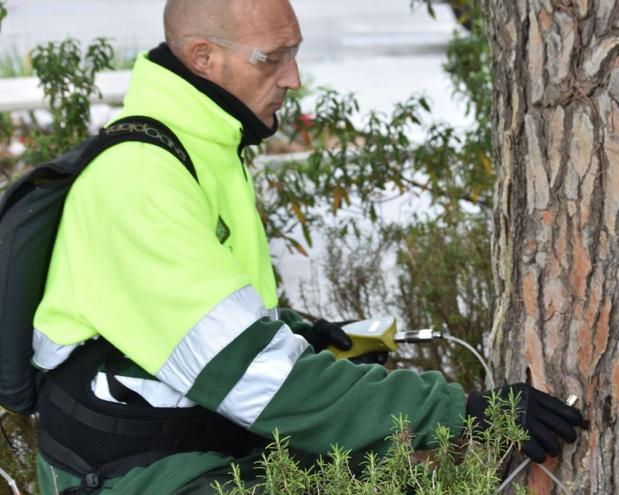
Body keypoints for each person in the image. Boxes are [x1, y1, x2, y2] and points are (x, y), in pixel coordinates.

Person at [30, 0, 584, 492]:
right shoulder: (143, 180)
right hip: (141, 472)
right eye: (271, 59)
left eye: (293, 53)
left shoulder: (200, 148)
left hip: (191, 443)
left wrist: (297, 330)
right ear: (203, 58)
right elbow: (256, 380)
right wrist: (462, 413)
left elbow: (190, 315)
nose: (293, 77)